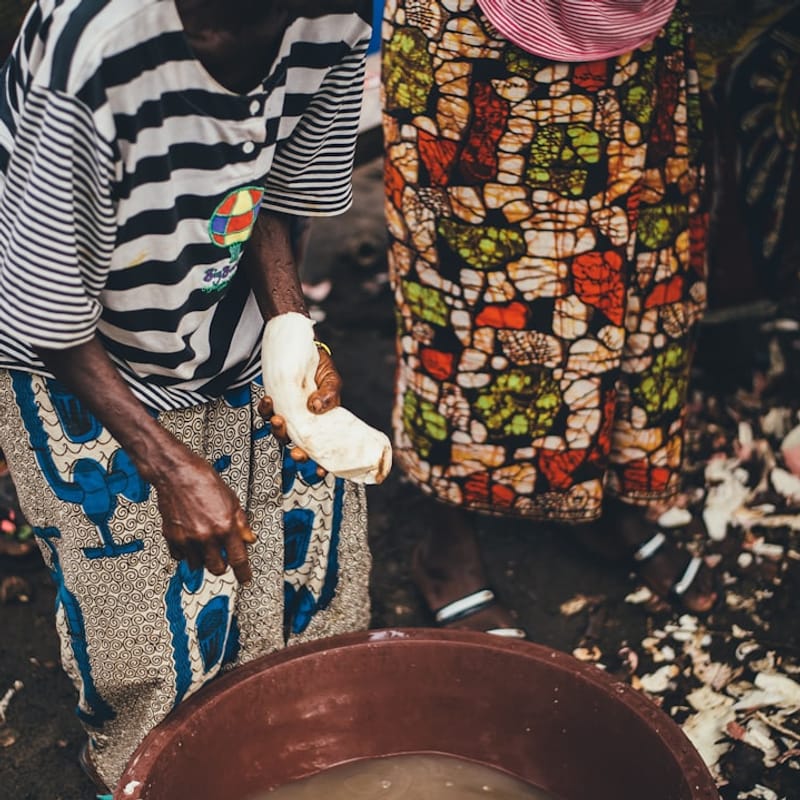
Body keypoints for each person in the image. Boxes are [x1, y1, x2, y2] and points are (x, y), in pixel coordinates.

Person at [0, 0, 373, 793]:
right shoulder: (96, 52)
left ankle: (283, 760)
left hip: (224, 309)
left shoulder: (333, 21)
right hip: (80, 350)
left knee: (298, 567)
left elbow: (270, 188)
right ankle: (140, 775)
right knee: (142, 626)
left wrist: (289, 337)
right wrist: (169, 468)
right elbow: (45, 309)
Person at [381, 0, 717, 637]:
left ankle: (609, 498)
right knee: (465, 286)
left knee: (641, 265)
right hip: (478, 35)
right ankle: (445, 541)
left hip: (634, 33)